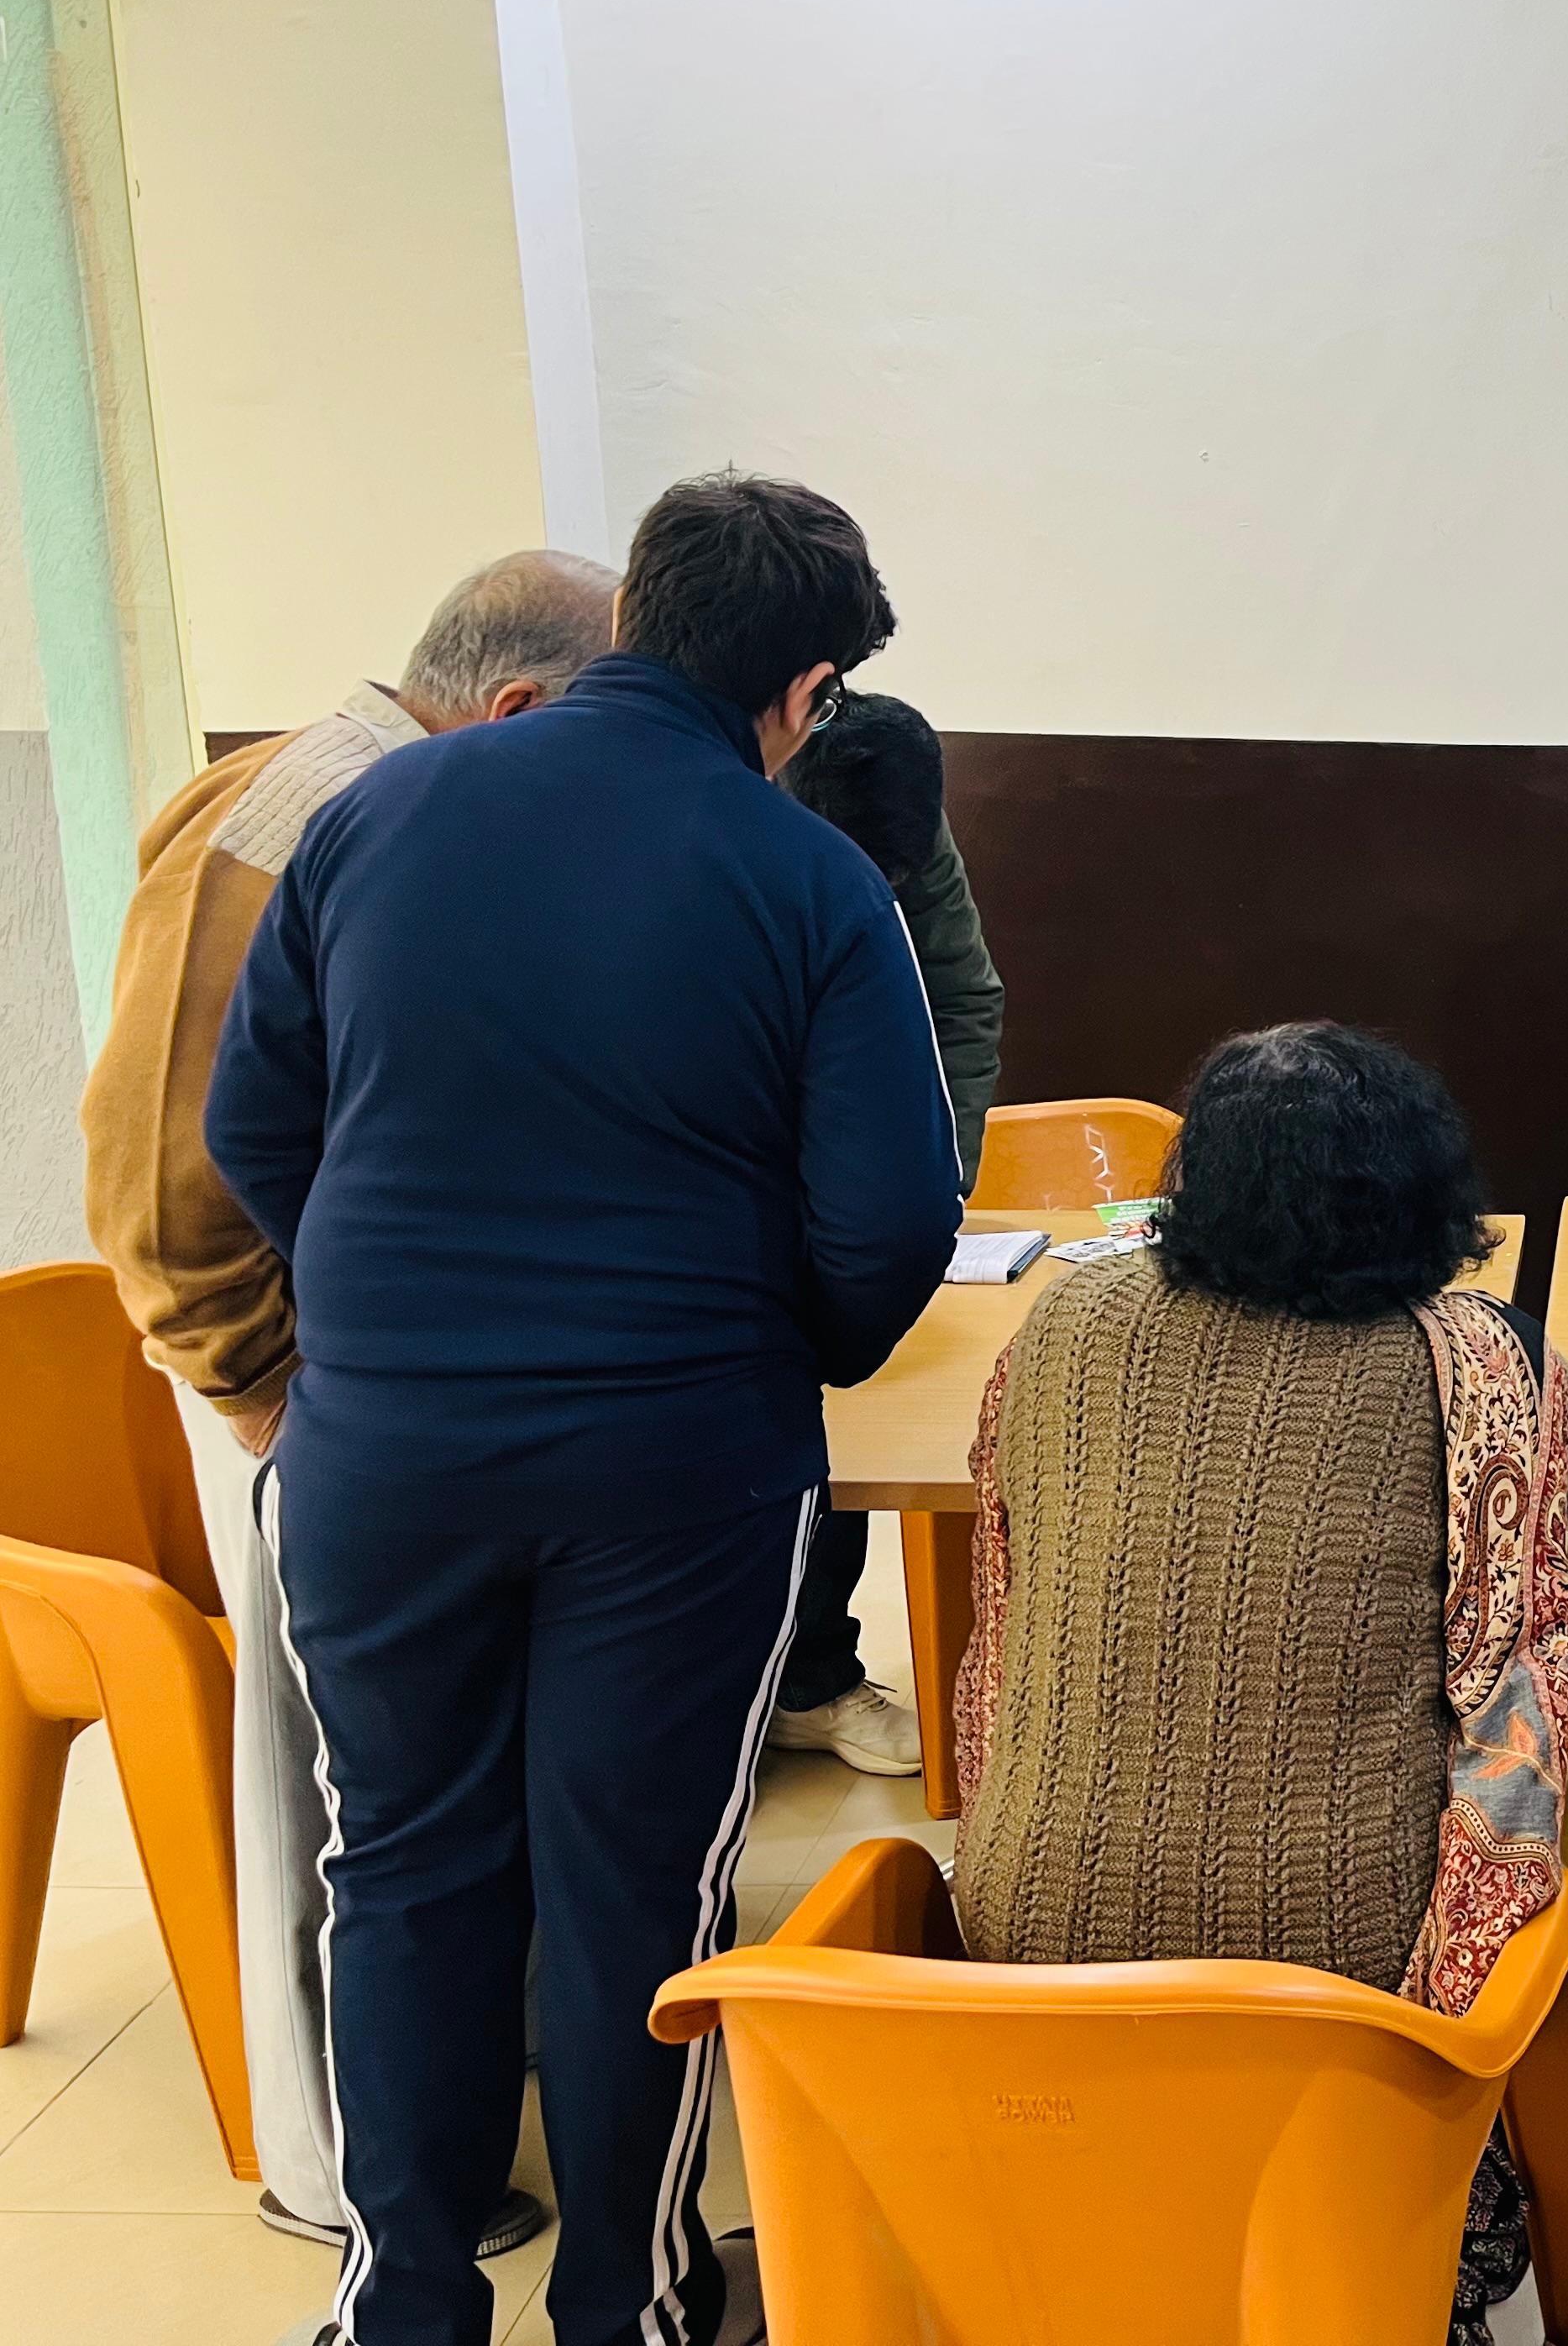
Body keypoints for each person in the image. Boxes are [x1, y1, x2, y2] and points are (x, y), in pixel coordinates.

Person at [207, 474, 965, 2346]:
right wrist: (767, 1339)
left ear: (636, 614)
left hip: (382, 1458)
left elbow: (253, 1126)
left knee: (404, 1865)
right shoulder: (814, 881)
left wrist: (388, 1318)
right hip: (678, 1470)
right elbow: (887, 1229)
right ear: (802, 692)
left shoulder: (377, 812)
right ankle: (626, 2306)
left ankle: (402, 2302)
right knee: (636, 1887)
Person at [948, 1021, 1568, 2346]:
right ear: (1427, 1193)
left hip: (1026, 1931)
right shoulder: (1469, 1360)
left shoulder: (1065, 1325)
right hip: (1335, 1968)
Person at [78, 550, 618, 2262]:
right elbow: (158, 1173)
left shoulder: (408, 803)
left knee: (414, 1782)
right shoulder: (296, 818)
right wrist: (267, 1395)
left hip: (393, 1387)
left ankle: (447, 2090)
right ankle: (340, 2170)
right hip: (304, 1392)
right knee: (336, 1802)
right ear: (516, 709)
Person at [768, 686, 1008, 1777]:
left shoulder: (891, 799)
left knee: (852, 1395)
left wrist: (935, 1178)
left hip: (845, 1154)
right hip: (703, 1168)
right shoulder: (712, 825)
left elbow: (962, 998)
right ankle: (730, 1689)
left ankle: (813, 1680)